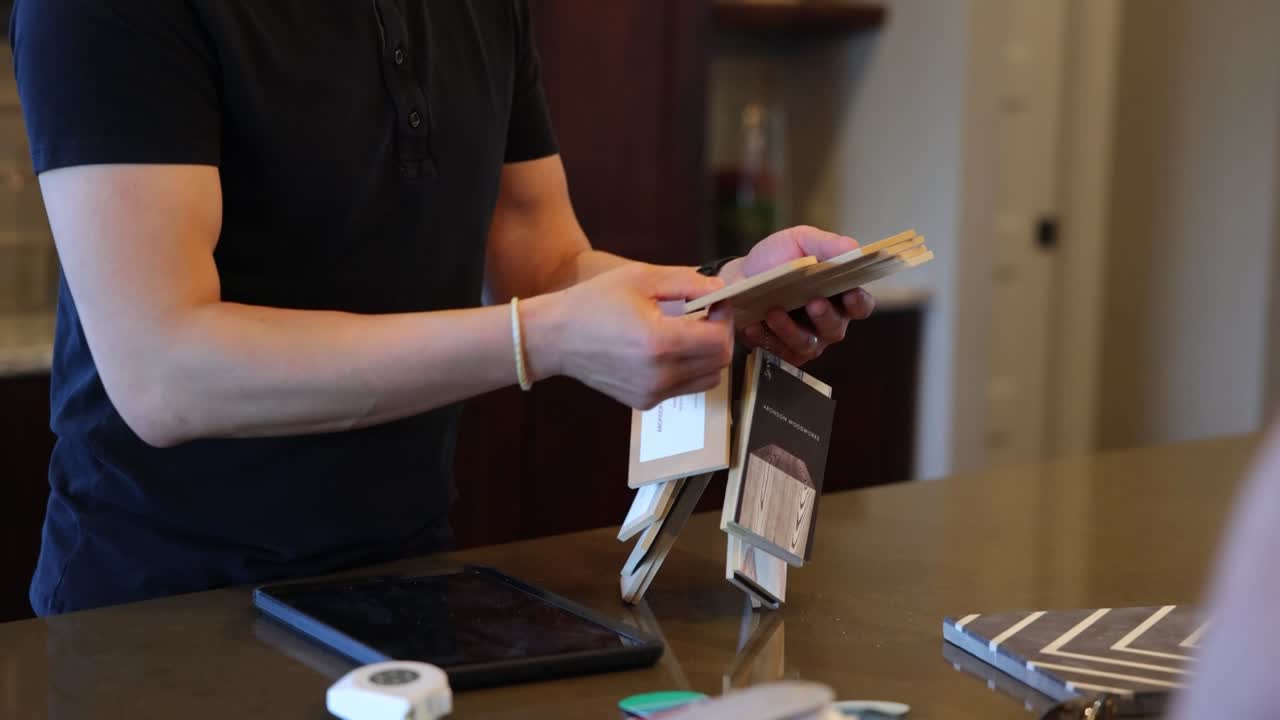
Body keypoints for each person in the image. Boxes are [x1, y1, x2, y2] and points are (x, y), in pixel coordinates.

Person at [11, 0, 876, 615]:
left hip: (408, 581)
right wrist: (538, 340)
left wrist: (724, 293)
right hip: (157, 608)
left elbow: (544, 260)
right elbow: (164, 372)